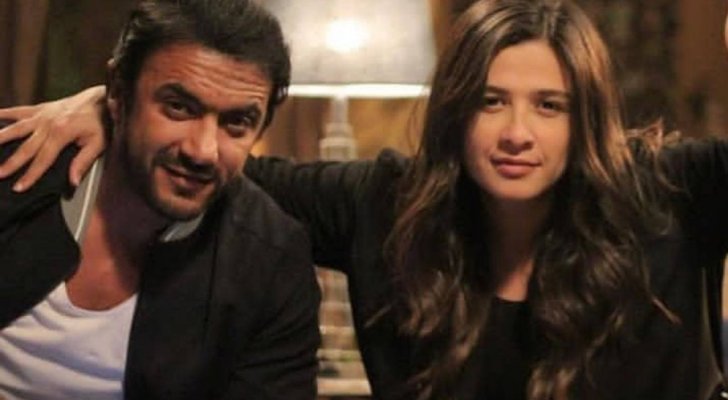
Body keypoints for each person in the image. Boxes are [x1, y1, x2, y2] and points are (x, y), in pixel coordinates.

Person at [1, 0, 727, 399]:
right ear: (453, 109)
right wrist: (111, 107)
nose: (516, 132)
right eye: (490, 101)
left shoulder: (669, 192)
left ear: (586, 117)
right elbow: (221, 162)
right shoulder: (388, 203)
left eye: (549, 106)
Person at [0, 0, 321, 399]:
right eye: (178, 107)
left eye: (237, 122)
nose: (203, 151)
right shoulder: (17, 166)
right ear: (118, 92)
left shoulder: (269, 262)